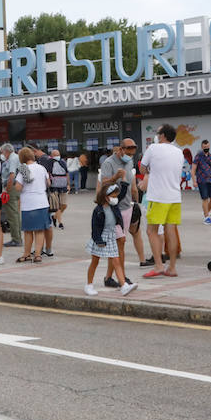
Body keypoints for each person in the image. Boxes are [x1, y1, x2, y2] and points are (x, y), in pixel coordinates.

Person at [140, 123, 185, 278]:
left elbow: (142, 168)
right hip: (174, 196)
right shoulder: (179, 152)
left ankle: (159, 265)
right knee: (170, 230)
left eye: (159, 133)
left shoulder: (153, 148)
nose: (157, 136)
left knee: (151, 230)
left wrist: (152, 170)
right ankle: (172, 267)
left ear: (163, 135)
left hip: (157, 196)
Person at [97, 139, 140, 286]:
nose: (130, 155)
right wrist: (115, 178)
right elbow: (103, 184)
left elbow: (132, 183)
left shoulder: (129, 162)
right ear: (120, 149)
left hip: (127, 206)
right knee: (120, 242)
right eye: (128, 152)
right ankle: (123, 277)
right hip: (113, 208)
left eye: (132, 153)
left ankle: (109, 277)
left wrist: (136, 202)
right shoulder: (108, 163)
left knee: (118, 243)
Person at [84, 183, 137, 296]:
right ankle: (89, 285)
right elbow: (95, 227)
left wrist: (124, 183)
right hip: (100, 237)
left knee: (116, 261)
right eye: (113, 196)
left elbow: (121, 194)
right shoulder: (98, 211)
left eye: (115, 196)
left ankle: (123, 285)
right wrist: (98, 240)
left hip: (111, 236)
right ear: (105, 196)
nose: (115, 199)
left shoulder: (114, 206)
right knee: (95, 261)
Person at [14, 147, 51, 262]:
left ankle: (26, 254)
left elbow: (18, 188)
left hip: (28, 203)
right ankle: (38, 255)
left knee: (28, 230)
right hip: (42, 202)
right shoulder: (41, 168)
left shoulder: (23, 169)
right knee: (40, 230)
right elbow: (48, 183)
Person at [193, 139, 211, 224]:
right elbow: (193, 169)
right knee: (205, 199)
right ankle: (206, 217)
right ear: (202, 147)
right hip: (201, 181)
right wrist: (194, 181)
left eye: (207, 147)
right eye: (205, 147)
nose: (206, 148)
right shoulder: (198, 157)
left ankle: (206, 213)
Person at [0, 143, 22, 248]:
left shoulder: (12, 159)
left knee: (12, 214)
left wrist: (7, 189)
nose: (2, 154)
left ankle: (16, 239)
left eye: (3, 152)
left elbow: (11, 174)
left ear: (6, 151)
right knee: (15, 213)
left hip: (11, 187)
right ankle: (17, 238)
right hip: (15, 187)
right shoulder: (16, 157)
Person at [47, 150, 69, 228]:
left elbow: (67, 173)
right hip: (54, 187)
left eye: (58, 154)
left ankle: (55, 217)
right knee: (57, 206)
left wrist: (68, 184)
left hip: (63, 186)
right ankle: (60, 223)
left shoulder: (63, 162)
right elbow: (48, 173)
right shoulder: (49, 162)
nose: (57, 156)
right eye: (56, 155)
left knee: (64, 205)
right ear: (52, 155)